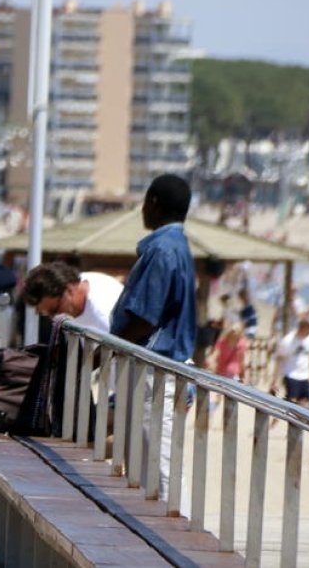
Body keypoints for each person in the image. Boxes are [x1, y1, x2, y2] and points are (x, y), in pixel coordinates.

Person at [109, 173, 197, 501]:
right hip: (162, 367)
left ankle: (178, 541)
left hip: (155, 369)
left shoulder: (162, 249)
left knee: (158, 469)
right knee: (151, 466)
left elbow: (145, 317)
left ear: (154, 203)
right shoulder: (179, 245)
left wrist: (113, 345)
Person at [22, 261, 122, 331]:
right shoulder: (78, 281)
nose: (53, 318)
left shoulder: (104, 315)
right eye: (45, 313)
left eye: (55, 309)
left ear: (69, 290)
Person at [269, 313, 309, 408]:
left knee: (305, 404)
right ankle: (276, 422)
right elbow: (279, 359)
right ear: (303, 327)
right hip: (291, 374)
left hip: (305, 375)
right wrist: (274, 380)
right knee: (291, 403)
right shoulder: (288, 341)